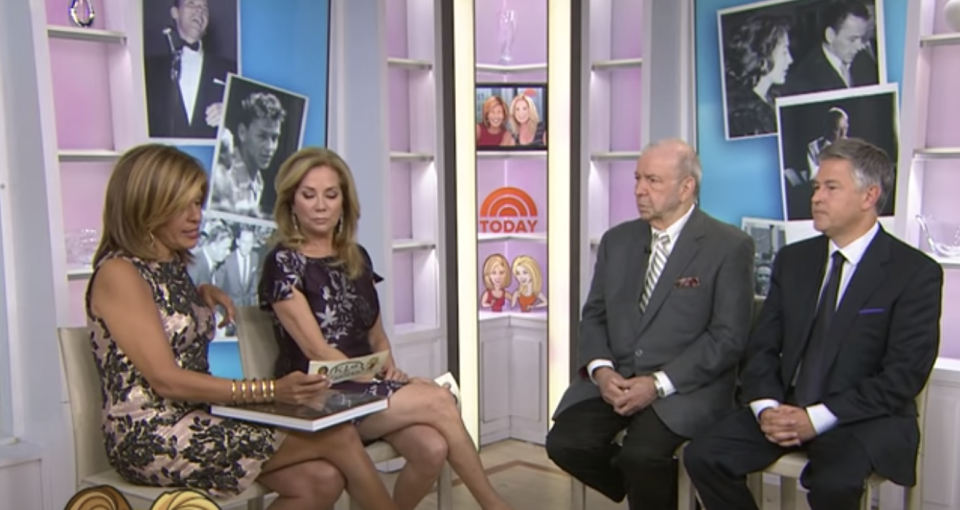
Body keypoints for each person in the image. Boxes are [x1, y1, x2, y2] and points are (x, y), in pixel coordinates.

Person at [86, 144, 401, 510]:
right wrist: (271, 390)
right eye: (181, 206)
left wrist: (201, 294)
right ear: (147, 206)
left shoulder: (170, 266)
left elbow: (163, 319)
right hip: (151, 434)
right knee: (339, 435)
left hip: (197, 419)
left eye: (198, 203)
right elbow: (166, 380)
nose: (195, 217)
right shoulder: (118, 273)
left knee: (321, 480)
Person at [683, 138, 943, 510]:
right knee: (704, 455)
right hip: (786, 408)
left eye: (831, 188)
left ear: (870, 196)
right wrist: (766, 407)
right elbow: (762, 348)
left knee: (834, 483)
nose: (816, 197)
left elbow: (903, 376)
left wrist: (816, 418)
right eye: (816, 187)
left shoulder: (914, 273)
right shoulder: (794, 261)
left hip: (861, 418)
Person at [258, 147, 516, 510]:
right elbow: (319, 353)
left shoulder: (356, 256)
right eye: (308, 195)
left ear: (344, 203)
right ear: (291, 203)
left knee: (432, 448)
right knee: (439, 400)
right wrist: (394, 385)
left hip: (366, 389)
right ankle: (495, 505)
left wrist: (391, 369)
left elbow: (375, 335)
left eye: (331, 195)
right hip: (318, 395)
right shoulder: (283, 262)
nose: (320, 205)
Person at [545, 138, 756, 510]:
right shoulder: (617, 241)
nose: (639, 190)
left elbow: (727, 338)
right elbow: (594, 314)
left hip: (685, 387)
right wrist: (602, 372)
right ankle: (664, 494)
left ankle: (655, 489)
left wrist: (658, 384)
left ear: (686, 187)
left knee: (641, 456)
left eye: (653, 181)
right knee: (565, 444)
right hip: (618, 380)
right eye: (638, 178)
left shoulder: (729, 246)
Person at [144, 0, 236, 139]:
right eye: (191, 3)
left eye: (204, 8)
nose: (199, 10)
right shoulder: (149, 69)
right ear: (175, 13)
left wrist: (229, 113)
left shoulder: (229, 68)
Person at [209, 91, 285, 220]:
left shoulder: (258, 181)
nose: (270, 147)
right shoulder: (222, 175)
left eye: (274, 138)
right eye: (262, 136)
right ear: (242, 132)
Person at [782, 1, 878, 96]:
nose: (859, 46)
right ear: (830, 35)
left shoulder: (865, 61)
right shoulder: (803, 80)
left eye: (862, 38)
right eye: (852, 39)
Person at [723, 14, 793, 138]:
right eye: (784, 52)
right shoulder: (743, 117)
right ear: (762, 55)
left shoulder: (773, 98)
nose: (790, 59)